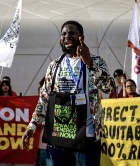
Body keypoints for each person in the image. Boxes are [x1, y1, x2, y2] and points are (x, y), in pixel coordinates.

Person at [21, 20, 115, 166]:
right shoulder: (55, 65)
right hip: (60, 134)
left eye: (72, 33)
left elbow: (109, 88)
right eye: (64, 33)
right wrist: (32, 126)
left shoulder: (96, 61)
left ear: (81, 37)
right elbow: (44, 99)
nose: (67, 36)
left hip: (86, 135)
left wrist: (89, 62)